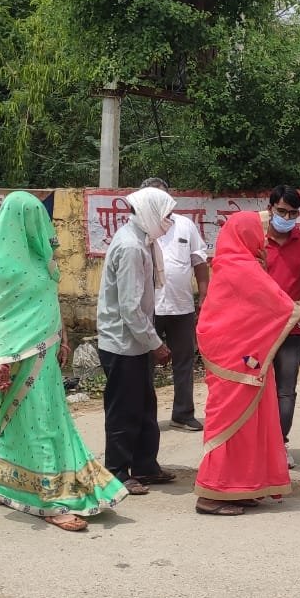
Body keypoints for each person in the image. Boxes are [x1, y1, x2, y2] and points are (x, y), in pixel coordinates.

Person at [0, 192, 128, 531]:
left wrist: (63, 336)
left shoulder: (44, 260)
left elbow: (50, 301)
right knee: (37, 425)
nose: (43, 225)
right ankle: (49, 501)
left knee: (43, 422)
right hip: (19, 361)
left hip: (47, 356)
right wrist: (1, 360)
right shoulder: (4, 268)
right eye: (36, 218)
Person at [194, 211, 300, 516]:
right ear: (245, 235)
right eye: (260, 232)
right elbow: (283, 308)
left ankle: (240, 487)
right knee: (231, 425)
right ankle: (211, 494)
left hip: (245, 355)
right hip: (235, 358)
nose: (264, 239)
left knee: (250, 423)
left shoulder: (233, 262)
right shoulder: (241, 267)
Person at [96, 186, 177, 496]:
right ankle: (117, 470)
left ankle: (144, 465)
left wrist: (150, 341)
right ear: (150, 213)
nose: (169, 221)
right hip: (122, 342)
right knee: (124, 409)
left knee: (144, 406)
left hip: (136, 342)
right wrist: (156, 343)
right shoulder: (131, 247)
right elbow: (130, 307)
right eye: (166, 215)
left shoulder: (142, 242)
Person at [140, 177, 210, 433]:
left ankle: (183, 414)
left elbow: (199, 262)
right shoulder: (139, 228)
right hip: (149, 309)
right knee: (144, 364)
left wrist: (204, 296)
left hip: (182, 307)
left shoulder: (185, 225)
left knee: (184, 361)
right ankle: (144, 418)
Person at [263, 185, 300, 468]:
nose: (287, 217)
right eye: (282, 211)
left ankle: (280, 444)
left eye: (293, 213)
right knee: (255, 387)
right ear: (270, 208)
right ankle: (256, 445)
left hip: (291, 328)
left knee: (286, 390)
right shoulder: (255, 240)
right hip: (257, 329)